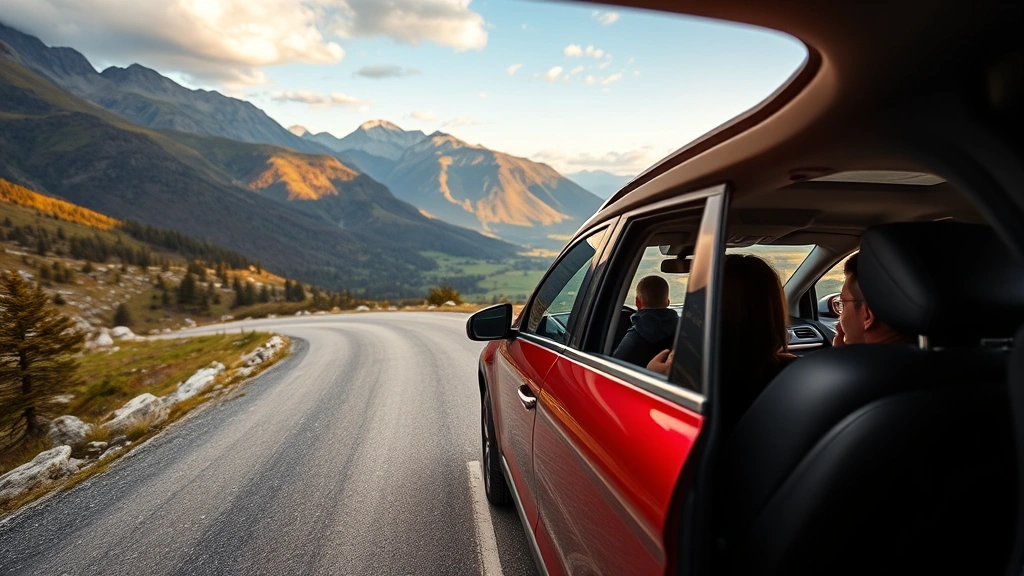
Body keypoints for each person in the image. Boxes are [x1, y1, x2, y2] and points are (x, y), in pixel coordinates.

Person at [647, 254, 795, 432]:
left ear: (704, 311)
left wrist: (655, 381)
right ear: (775, 310)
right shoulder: (796, 375)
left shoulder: (690, 381)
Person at [832, 253, 913, 346]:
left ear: (868, 316)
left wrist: (840, 356)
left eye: (843, 304)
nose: (839, 318)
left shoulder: (858, 360)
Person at [613, 275, 679, 368]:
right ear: (668, 302)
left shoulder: (634, 336)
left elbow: (615, 366)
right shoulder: (683, 332)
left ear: (638, 302)